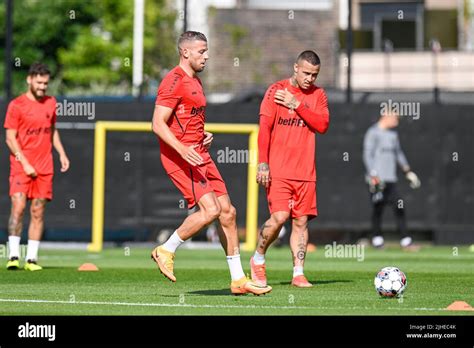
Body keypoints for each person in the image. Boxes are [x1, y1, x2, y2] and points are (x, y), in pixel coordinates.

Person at [150, 31, 271, 296]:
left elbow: (185, 119)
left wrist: (201, 135)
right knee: (211, 211)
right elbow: (157, 123)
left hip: (200, 154)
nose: (206, 56)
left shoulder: (195, 81)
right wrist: (183, 148)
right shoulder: (173, 80)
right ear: (185, 52)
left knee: (228, 212)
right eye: (201, 51)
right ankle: (166, 249)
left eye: (206, 51)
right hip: (181, 158)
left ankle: (238, 280)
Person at [250, 50, 330, 288]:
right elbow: (264, 128)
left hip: (305, 172)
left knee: (301, 223)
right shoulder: (276, 91)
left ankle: (298, 273)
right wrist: (262, 163)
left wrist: (297, 105)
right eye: (306, 73)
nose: (310, 78)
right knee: (280, 217)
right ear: (295, 68)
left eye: (314, 74)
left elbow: (322, 125)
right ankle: (258, 258)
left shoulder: (318, 95)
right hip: (280, 170)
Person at [4, 62, 70, 271]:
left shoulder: (51, 103)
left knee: (38, 211)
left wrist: (61, 153)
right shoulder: (16, 105)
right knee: (19, 207)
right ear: (29, 80)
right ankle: (13, 255)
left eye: (46, 83)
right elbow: (9, 138)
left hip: (44, 166)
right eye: (39, 82)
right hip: (20, 165)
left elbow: (52, 130)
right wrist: (24, 161)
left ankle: (31, 259)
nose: (42, 87)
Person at [363, 111, 421, 249]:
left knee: (399, 206)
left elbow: (398, 153)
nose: (397, 121)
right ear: (386, 116)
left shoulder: (393, 135)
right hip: (377, 179)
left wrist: (407, 171)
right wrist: (373, 175)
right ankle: (377, 240)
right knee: (378, 207)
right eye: (395, 118)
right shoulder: (373, 132)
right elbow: (367, 154)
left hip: (391, 178)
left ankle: (405, 240)